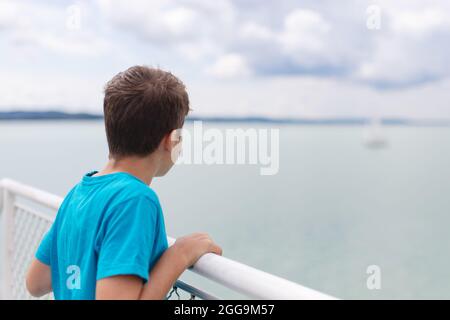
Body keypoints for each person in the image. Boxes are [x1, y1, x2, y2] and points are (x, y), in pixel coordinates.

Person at [25, 66, 222, 299]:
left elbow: (35, 283)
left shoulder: (79, 193)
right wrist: (179, 254)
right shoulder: (135, 200)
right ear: (171, 141)